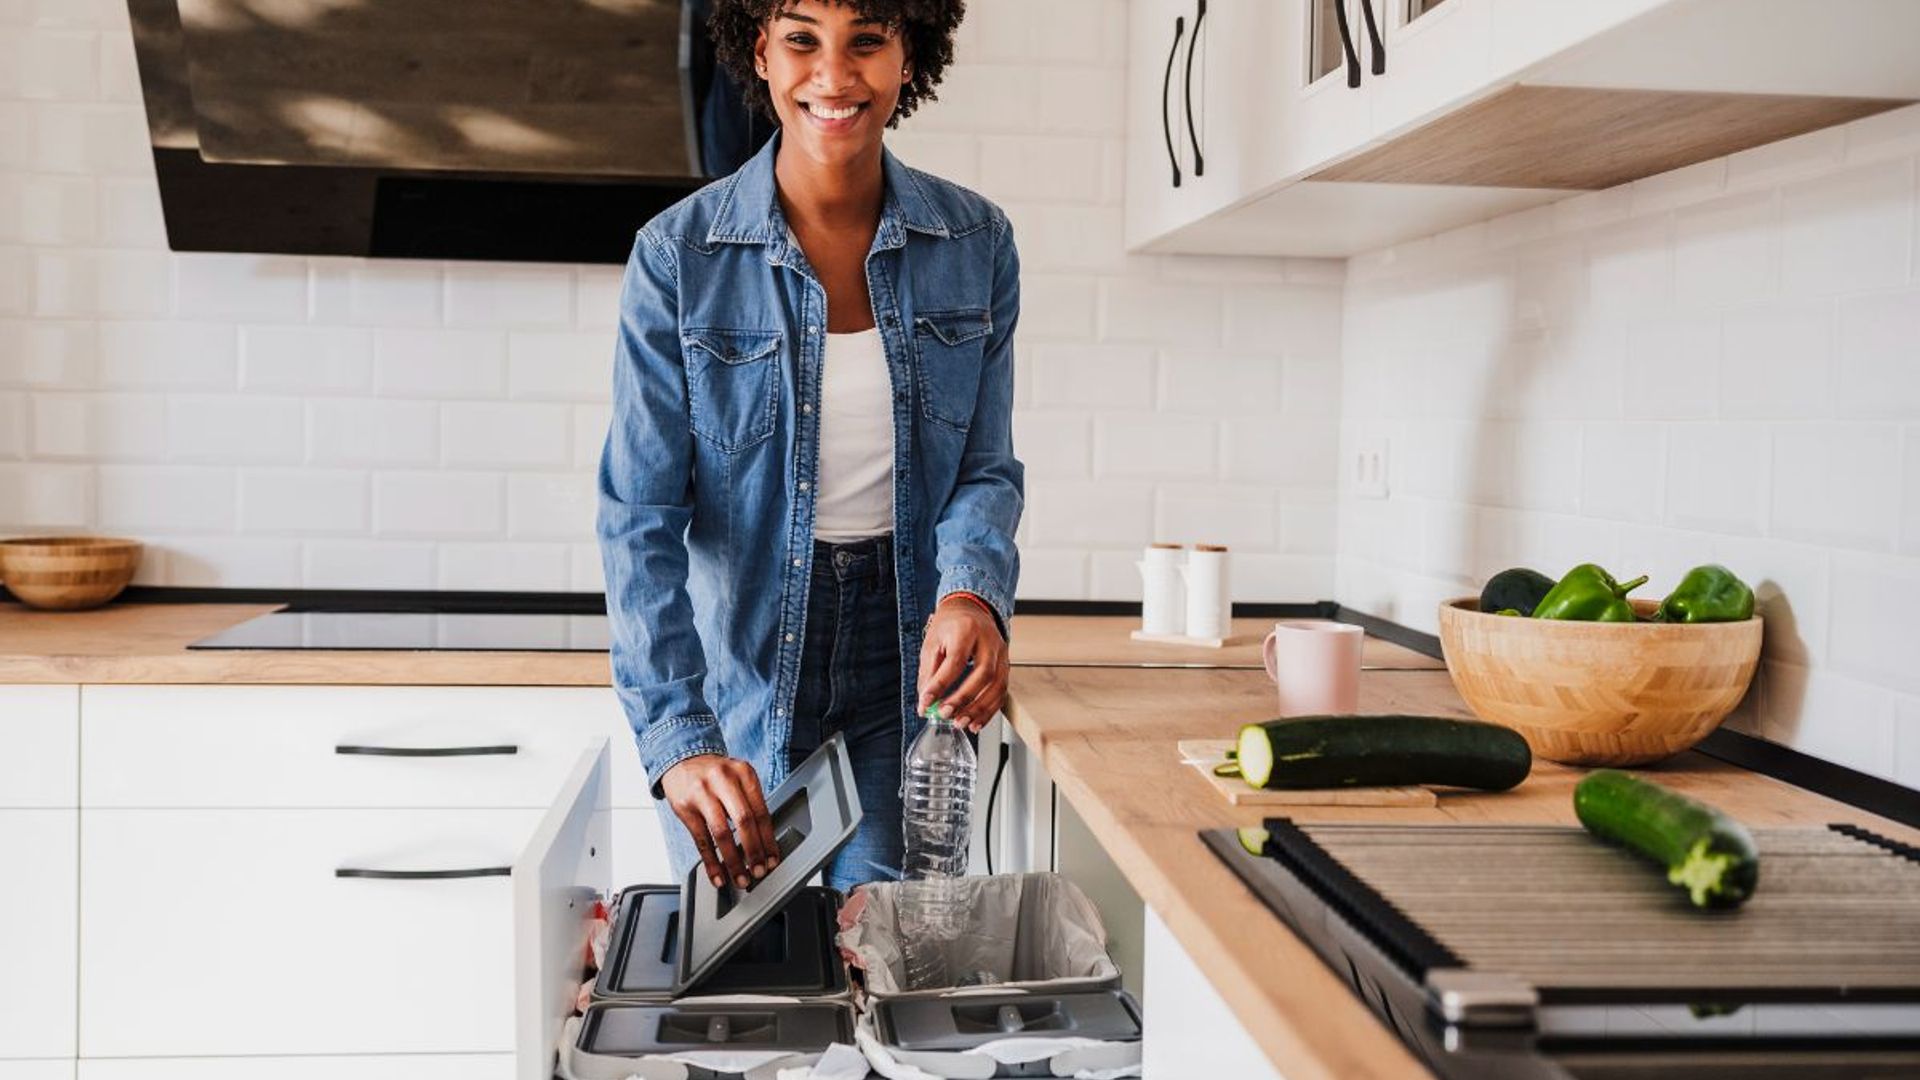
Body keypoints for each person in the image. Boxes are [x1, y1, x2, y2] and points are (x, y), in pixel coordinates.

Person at [596, 0, 1022, 896]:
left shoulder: (975, 244)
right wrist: (680, 740)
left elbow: (983, 469)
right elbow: (639, 518)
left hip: (904, 670)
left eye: (867, 40)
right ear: (760, 52)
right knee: (753, 989)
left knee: (882, 967)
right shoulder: (679, 256)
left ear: (912, 56)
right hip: (744, 669)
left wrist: (972, 592)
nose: (834, 76)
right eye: (802, 40)